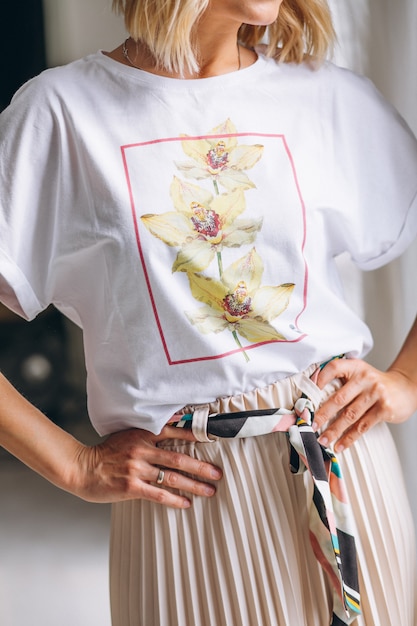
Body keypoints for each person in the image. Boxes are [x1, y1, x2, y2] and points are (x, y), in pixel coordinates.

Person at [0, 0, 416, 624]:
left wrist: (406, 379)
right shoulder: (61, 113)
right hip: (182, 504)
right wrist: (73, 463)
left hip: (343, 468)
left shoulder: (328, 98)